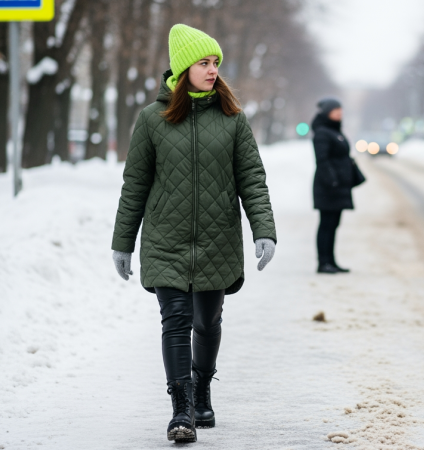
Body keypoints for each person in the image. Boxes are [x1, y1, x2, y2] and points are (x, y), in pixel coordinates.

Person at [110, 24, 277, 443]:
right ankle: (181, 410)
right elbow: (135, 184)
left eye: (215, 62)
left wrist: (264, 230)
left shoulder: (233, 119)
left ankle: (202, 387)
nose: (213, 69)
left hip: (217, 239)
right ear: (183, 68)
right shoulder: (152, 119)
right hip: (165, 237)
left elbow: (252, 179)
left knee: (207, 322)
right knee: (175, 320)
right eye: (204, 62)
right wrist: (122, 243)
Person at [311, 98, 355, 274]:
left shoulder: (335, 130)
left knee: (333, 224)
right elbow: (322, 160)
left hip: (337, 186)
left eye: (340, 110)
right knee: (326, 225)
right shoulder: (322, 133)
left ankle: (331, 261)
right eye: (336, 110)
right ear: (327, 112)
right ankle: (323, 262)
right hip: (328, 187)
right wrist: (333, 181)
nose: (339, 113)